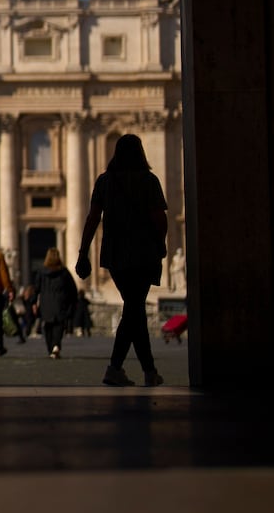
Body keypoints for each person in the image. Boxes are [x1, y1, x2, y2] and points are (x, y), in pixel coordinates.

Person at [75, 133, 169, 387]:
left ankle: (146, 371)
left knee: (134, 308)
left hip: (115, 254)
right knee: (134, 308)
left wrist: (84, 252)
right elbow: (159, 218)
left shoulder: (105, 181)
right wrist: (161, 244)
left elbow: (92, 218)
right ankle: (119, 368)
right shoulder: (149, 181)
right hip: (144, 252)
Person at [32, 247, 79, 358]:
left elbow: (36, 288)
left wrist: (33, 302)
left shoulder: (41, 272)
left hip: (45, 302)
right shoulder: (64, 272)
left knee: (47, 326)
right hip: (60, 302)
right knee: (58, 325)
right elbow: (72, 289)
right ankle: (56, 345)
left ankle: (50, 348)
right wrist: (72, 302)